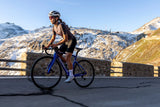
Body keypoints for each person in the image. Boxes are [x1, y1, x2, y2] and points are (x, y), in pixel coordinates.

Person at [45, 10, 77, 83]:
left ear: (56, 18)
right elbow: (53, 38)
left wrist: (56, 44)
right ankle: (68, 65)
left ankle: (71, 75)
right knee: (58, 54)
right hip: (65, 42)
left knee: (67, 57)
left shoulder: (61, 25)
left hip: (71, 40)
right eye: (49, 17)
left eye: (51, 17)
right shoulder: (54, 27)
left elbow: (65, 38)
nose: (50, 19)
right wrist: (47, 46)